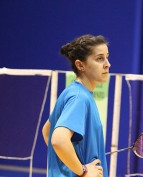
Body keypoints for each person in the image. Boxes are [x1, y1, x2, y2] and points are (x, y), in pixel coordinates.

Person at [42, 34, 110, 177]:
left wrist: (68, 162)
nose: (107, 64)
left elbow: (47, 131)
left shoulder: (74, 92)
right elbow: (58, 139)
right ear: (80, 65)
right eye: (99, 59)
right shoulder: (79, 97)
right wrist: (82, 170)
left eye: (107, 57)